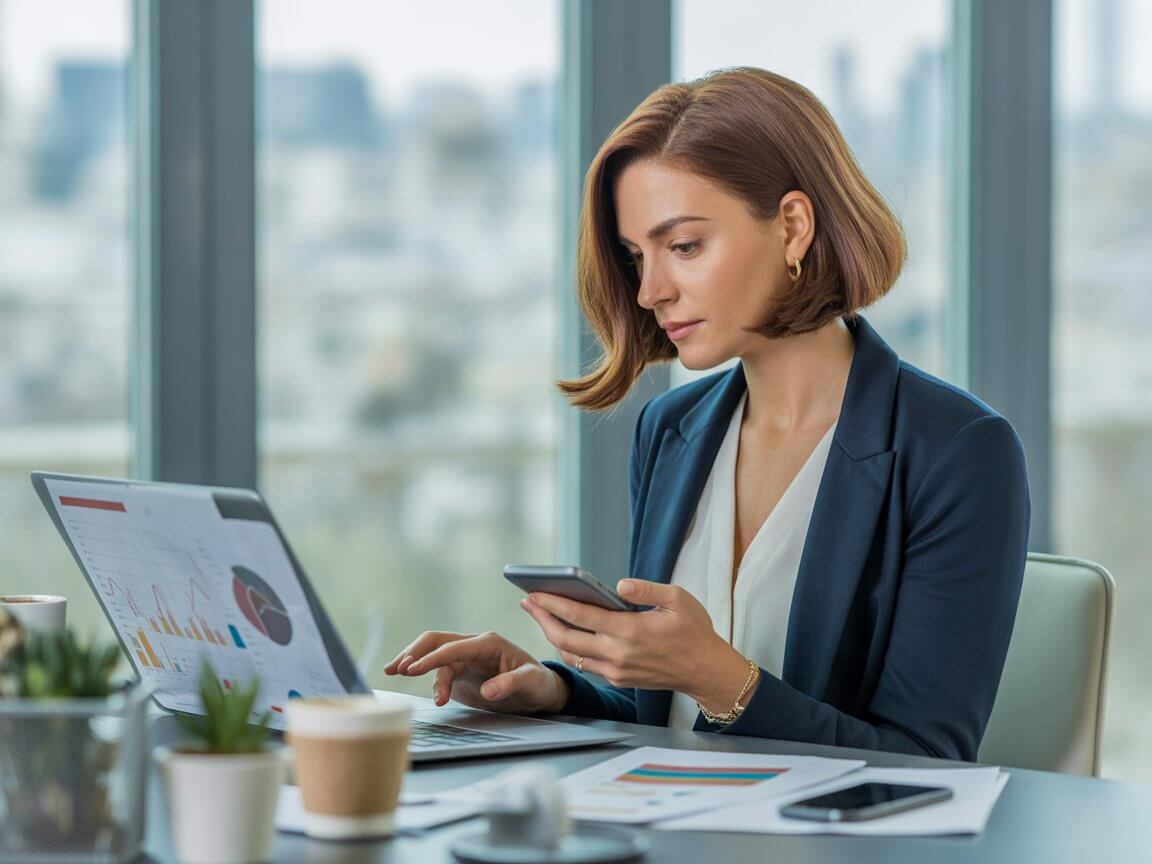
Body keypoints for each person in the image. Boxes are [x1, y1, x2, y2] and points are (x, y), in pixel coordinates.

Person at [385, 67, 1030, 761]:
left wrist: (718, 677)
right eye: (637, 258)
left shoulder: (957, 451)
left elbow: (927, 759)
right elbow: (666, 714)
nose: (650, 292)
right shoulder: (672, 429)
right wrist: (552, 690)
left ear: (791, 227)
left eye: (684, 246)